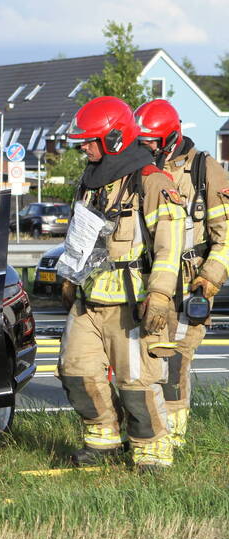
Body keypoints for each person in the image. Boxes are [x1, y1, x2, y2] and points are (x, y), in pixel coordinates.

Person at [57, 96, 187, 472]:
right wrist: (69, 277)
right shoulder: (88, 182)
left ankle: (151, 450)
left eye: (89, 139)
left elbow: (169, 242)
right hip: (88, 299)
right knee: (75, 370)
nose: (83, 146)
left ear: (115, 138)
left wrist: (160, 294)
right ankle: (104, 440)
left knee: (136, 381)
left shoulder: (150, 182)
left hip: (133, 303)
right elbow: (78, 235)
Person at [135, 98, 229, 448]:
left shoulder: (205, 170)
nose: (144, 149)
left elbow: (226, 237)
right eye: (139, 143)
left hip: (190, 284)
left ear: (170, 138)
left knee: (173, 363)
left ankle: (172, 439)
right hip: (147, 281)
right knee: (140, 361)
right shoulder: (139, 171)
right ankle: (143, 431)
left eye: (150, 143)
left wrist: (209, 280)